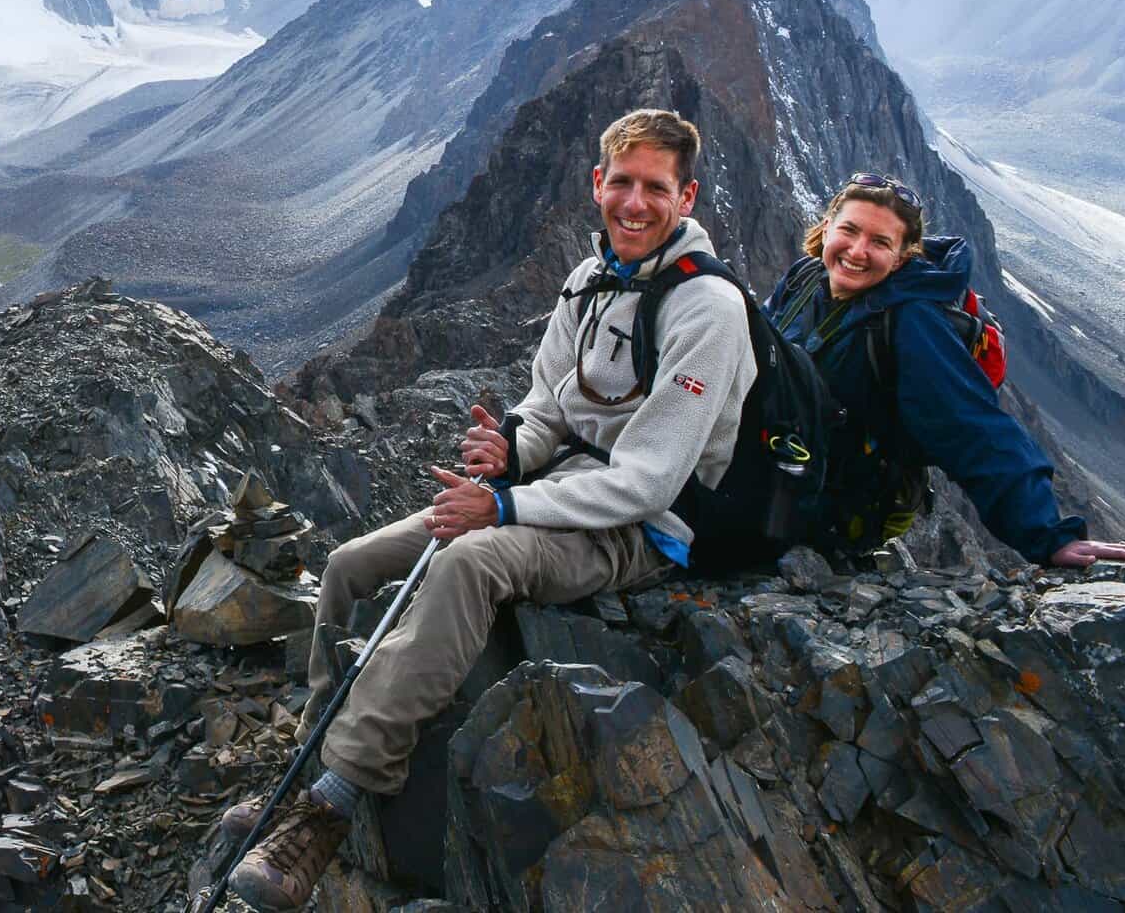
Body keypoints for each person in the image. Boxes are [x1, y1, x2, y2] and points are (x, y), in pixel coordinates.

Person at [224, 109, 759, 911]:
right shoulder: (590, 280)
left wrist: (504, 503)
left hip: (635, 529)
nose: (635, 203)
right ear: (597, 184)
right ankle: (305, 765)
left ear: (686, 197)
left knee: (469, 560)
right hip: (554, 490)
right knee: (350, 565)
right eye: (622, 182)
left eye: (656, 188)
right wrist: (511, 448)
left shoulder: (708, 309)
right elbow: (549, 407)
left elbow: (647, 483)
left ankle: (331, 807)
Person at [763, 173, 1125, 569]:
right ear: (827, 228)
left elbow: (972, 427)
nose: (858, 251)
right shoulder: (804, 281)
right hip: (780, 472)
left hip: (824, 508)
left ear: (901, 257)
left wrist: (1048, 536)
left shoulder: (911, 321)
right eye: (850, 230)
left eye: (880, 242)